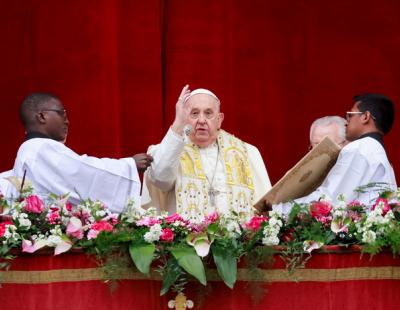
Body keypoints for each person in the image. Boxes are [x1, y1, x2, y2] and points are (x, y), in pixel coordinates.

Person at [142, 85, 271, 222]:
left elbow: (266, 207)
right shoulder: (169, 151)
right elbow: (160, 179)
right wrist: (178, 123)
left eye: (208, 113)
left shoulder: (247, 153)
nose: (202, 120)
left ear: (219, 119)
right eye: (194, 113)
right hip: (187, 241)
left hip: (239, 241)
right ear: (185, 117)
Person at [6, 93, 153, 213]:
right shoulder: (41, 148)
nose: (67, 121)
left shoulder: (28, 150)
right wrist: (129, 165)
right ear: (42, 116)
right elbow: (82, 173)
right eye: (61, 114)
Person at [274, 93, 397, 215]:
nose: (346, 122)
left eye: (350, 115)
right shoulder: (377, 150)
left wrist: (278, 209)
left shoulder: (358, 148)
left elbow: (328, 200)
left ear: (365, 117)